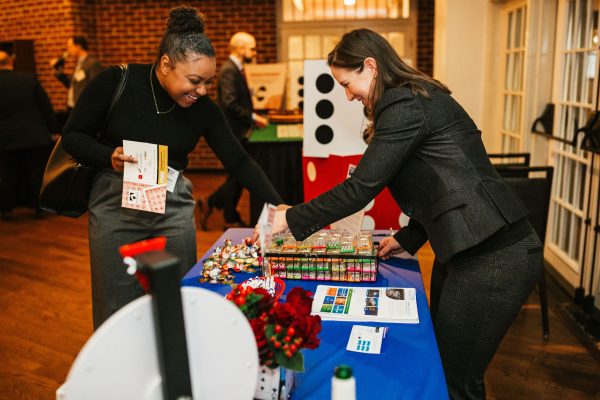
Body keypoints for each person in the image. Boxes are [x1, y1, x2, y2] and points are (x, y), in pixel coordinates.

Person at [265, 29, 543, 400]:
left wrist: (291, 219)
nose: (348, 95)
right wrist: (408, 237)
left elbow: (360, 188)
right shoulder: (412, 100)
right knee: (443, 364)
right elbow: (442, 184)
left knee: (457, 380)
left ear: (371, 67)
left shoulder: (404, 105)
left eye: (348, 84)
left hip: (493, 254)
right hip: (467, 247)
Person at [61, 6, 283, 330]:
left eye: (208, 81)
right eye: (194, 80)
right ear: (166, 64)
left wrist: (279, 206)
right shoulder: (115, 82)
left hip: (173, 205)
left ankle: (176, 374)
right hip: (114, 204)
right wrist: (107, 155)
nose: (202, 91)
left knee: (179, 301)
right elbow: (72, 136)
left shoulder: (203, 109)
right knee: (117, 309)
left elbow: (239, 160)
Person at [197, 32, 269, 230]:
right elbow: (229, 104)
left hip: (240, 131)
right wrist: (253, 118)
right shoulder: (229, 70)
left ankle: (222, 210)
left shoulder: (236, 68)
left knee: (237, 177)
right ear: (239, 49)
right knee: (238, 176)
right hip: (234, 132)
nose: (254, 52)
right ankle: (214, 206)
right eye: (252, 48)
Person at [0, 51, 58, 220]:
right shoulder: (29, 79)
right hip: (33, 135)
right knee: (36, 172)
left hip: (5, 137)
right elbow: (46, 107)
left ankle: (5, 209)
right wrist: (54, 130)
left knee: (7, 173)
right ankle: (39, 207)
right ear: (11, 62)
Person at [52, 36, 103, 111]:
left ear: (78, 47)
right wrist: (59, 72)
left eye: (70, 47)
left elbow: (96, 86)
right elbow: (73, 84)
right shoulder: (79, 63)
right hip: (73, 105)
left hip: (85, 106)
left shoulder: (92, 63)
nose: (68, 50)